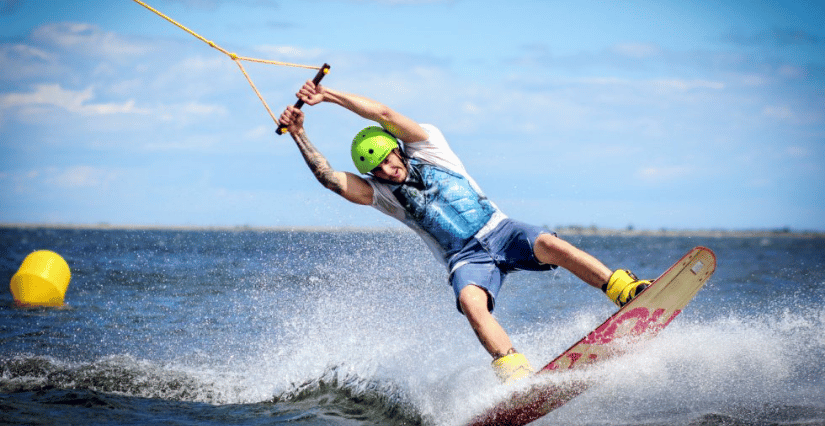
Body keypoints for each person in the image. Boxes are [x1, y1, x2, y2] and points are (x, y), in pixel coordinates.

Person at [278, 81, 651, 384]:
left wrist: (328, 95)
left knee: (551, 244)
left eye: (389, 158)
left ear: (396, 148)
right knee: (473, 305)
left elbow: (384, 113)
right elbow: (330, 179)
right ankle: (516, 372)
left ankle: (622, 289)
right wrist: (298, 133)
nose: (389, 169)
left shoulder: (429, 145)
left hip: (500, 229)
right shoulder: (383, 196)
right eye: (378, 168)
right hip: (464, 259)